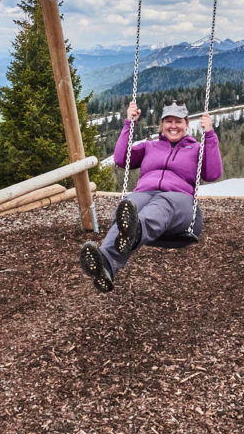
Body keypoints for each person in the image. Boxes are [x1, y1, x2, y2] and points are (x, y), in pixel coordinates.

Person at [80, 99, 223, 293]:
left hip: (180, 203)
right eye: (168, 121)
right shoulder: (150, 147)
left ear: (187, 124)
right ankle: (105, 265)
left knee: (163, 203)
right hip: (145, 192)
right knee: (130, 203)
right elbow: (122, 159)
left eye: (178, 121)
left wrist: (209, 134)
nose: (173, 126)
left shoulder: (197, 149)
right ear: (162, 124)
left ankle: (136, 231)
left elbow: (213, 173)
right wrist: (129, 123)